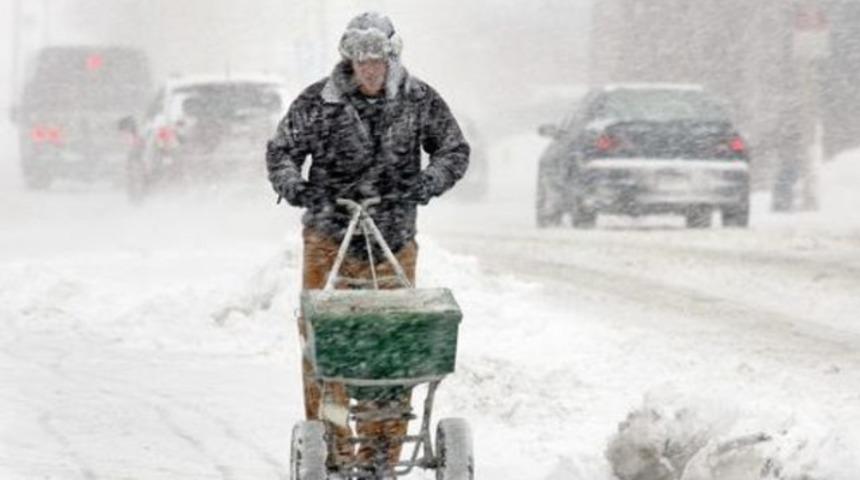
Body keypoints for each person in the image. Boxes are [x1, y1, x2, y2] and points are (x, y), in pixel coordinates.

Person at [265, 11, 470, 468]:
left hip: (393, 240)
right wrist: (294, 186)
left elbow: (454, 150)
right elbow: (282, 150)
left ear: (392, 59)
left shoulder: (419, 101)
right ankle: (334, 446)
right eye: (361, 61)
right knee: (327, 347)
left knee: (390, 350)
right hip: (328, 238)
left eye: (377, 61)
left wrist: (427, 182)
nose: (369, 70)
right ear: (349, 61)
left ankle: (381, 454)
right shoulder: (318, 103)